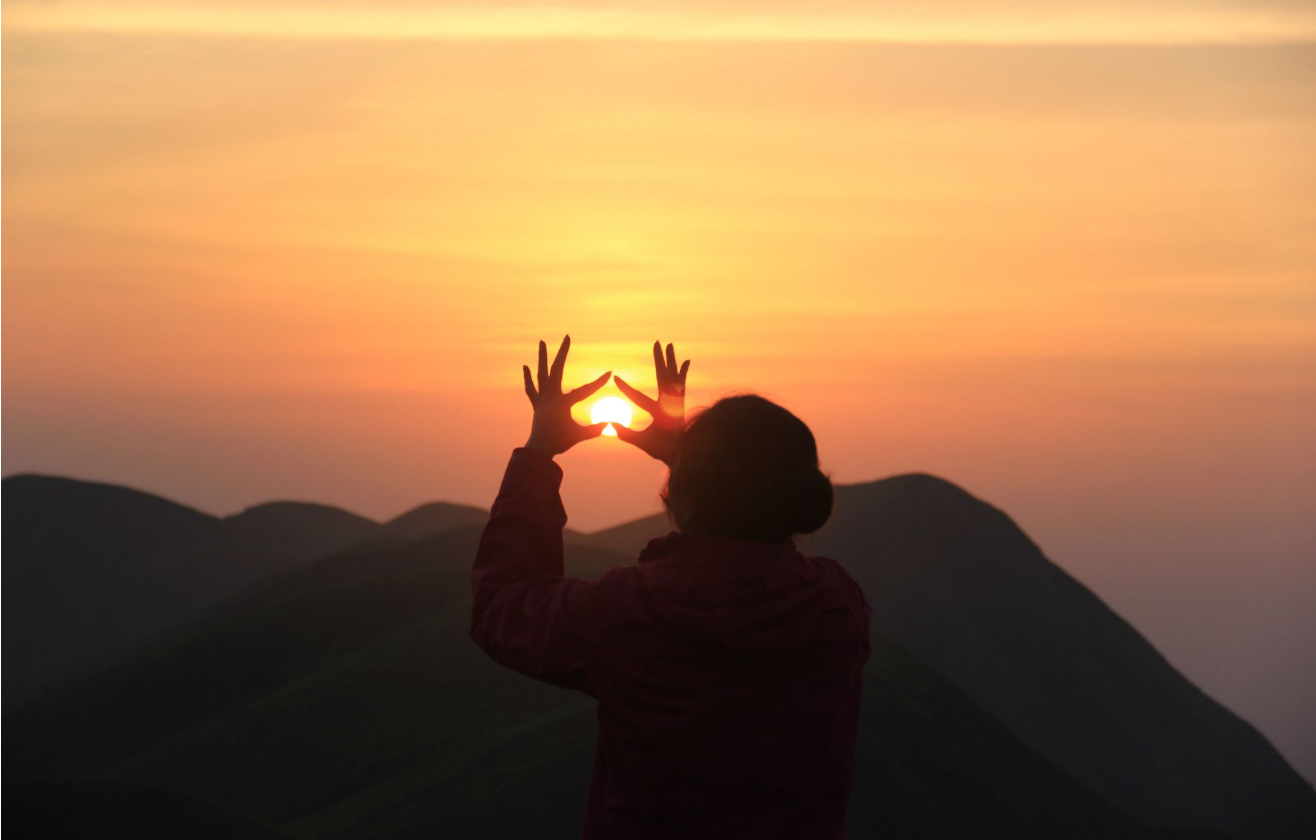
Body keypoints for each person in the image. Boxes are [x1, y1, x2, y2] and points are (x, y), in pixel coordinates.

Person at [470, 335, 872, 839]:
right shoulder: (836, 608)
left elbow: (503, 608)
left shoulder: (637, 613)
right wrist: (687, 465)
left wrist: (537, 455)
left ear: (683, 500)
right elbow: (737, 518)